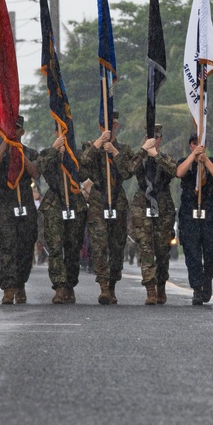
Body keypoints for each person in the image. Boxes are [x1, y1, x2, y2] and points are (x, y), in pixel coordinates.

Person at [80, 116, 136, 304]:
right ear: (100, 126)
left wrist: (114, 152)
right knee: (99, 245)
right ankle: (103, 286)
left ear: (117, 125)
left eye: (112, 125)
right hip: (98, 199)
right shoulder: (90, 146)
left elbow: (128, 172)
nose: (110, 128)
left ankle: (112, 284)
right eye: (106, 125)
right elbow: (82, 166)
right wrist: (98, 145)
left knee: (117, 246)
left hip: (118, 199)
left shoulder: (124, 149)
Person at [123, 125, 178, 305]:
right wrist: (143, 151)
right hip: (142, 203)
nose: (153, 138)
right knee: (145, 247)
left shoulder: (165, 157)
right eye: (149, 136)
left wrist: (155, 155)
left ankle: (161, 284)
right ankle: (150, 289)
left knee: (162, 250)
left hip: (162, 204)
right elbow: (129, 169)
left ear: (160, 139)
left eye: (156, 136)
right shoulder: (139, 157)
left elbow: (174, 171)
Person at [0, 119, 40, 304]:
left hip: (25, 203)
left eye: (16, 129)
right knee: (8, 247)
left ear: (22, 131)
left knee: (25, 248)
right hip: (5, 206)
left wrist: (19, 152)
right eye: (9, 128)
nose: (13, 131)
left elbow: (35, 172)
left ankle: (20, 284)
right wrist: (6, 144)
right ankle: (9, 288)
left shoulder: (30, 152)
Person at [175, 133, 213, 304]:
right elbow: (179, 173)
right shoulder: (186, 162)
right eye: (193, 143)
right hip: (189, 215)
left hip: (209, 213)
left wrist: (205, 160)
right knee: (192, 254)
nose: (197, 146)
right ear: (190, 146)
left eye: (200, 143)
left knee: (212, 251)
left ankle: (207, 278)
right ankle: (197, 289)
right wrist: (193, 157)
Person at [38, 131, 88, 304]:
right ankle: (59, 286)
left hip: (75, 202)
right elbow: (41, 169)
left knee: (74, 246)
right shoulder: (47, 153)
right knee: (56, 247)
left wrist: (70, 157)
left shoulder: (76, 155)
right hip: (54, 203)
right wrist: (54, 151)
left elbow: (84, 173)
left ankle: (70, 285)